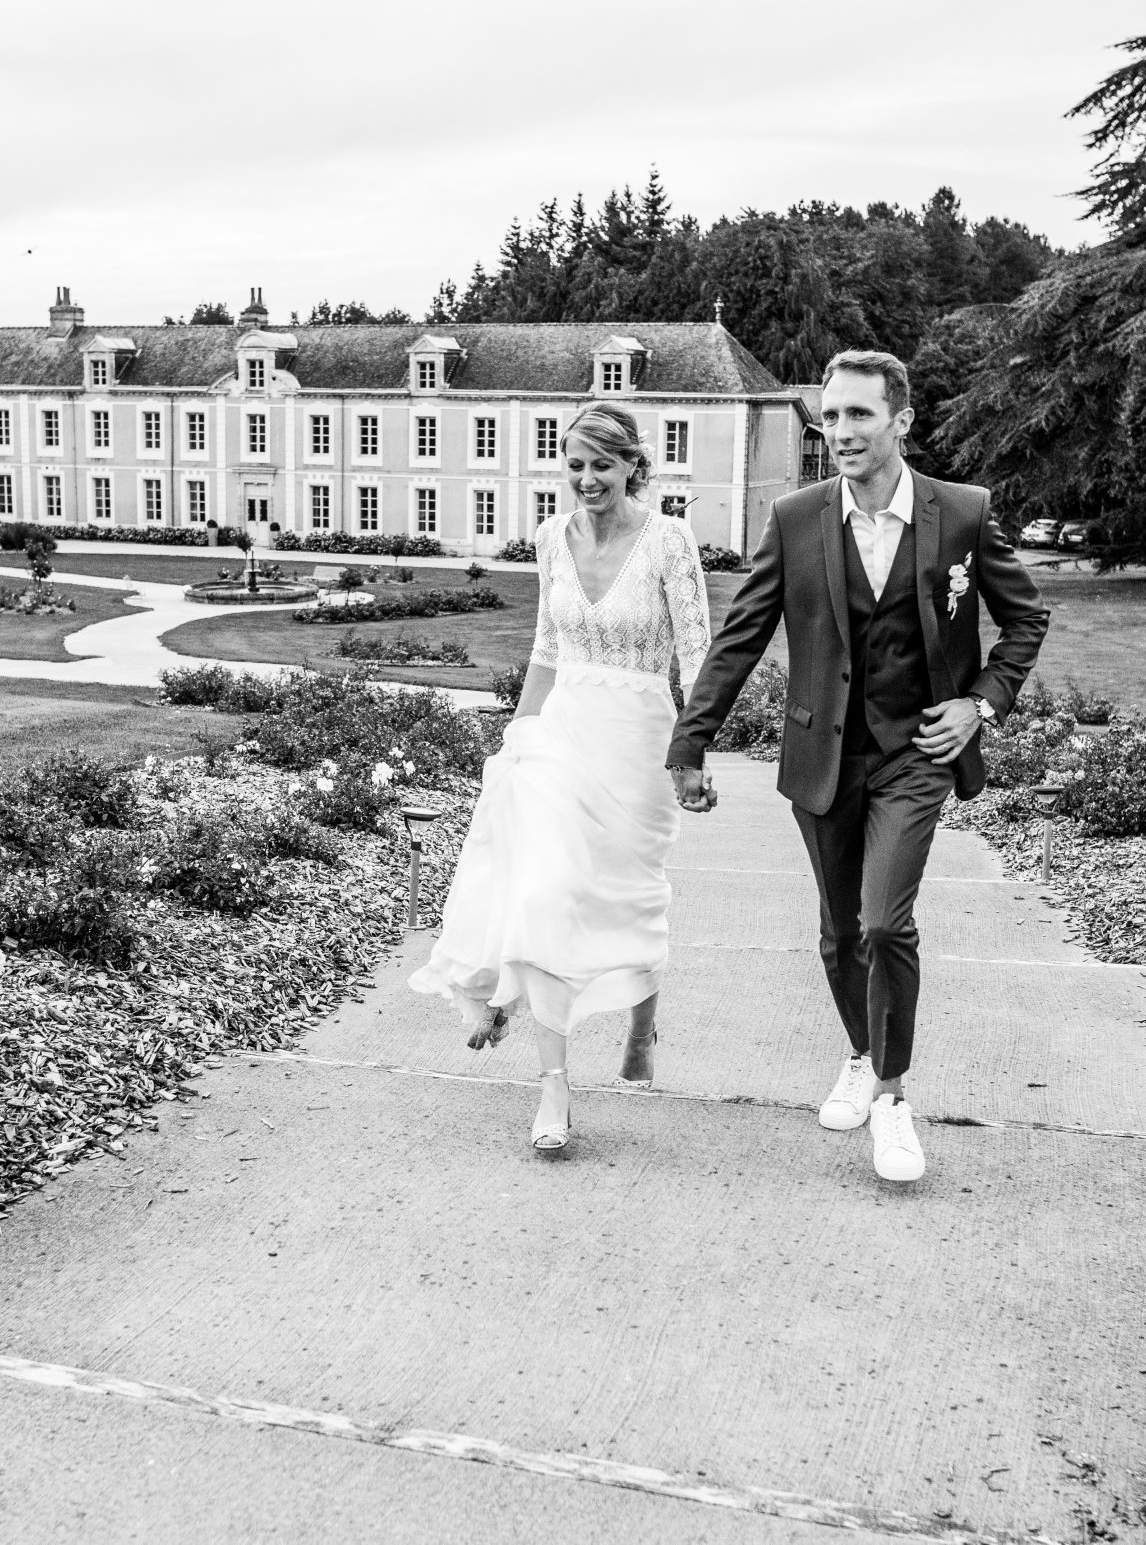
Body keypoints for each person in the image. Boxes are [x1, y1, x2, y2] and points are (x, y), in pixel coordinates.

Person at [665, 350, 1047, 1183]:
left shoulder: (965, 515)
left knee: (883, 922)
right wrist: (691, 741)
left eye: (858, 415)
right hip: (823, 753)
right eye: (830, 415)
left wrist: (980, 703)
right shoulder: (799, 518)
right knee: (840, 934)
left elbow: (1024, 622)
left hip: (916, 755)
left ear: (901, 422)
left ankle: (894, 1100)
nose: (839, 430)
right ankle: (859, 1052)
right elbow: (742, 635)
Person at [409, 402, 712, 1156]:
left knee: (628, 899)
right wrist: (519, 734)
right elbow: (547, 648)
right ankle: (553, 1087)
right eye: (575, 465)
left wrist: (693, 752)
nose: (586, 479)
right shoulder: (551, 538)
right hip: (563, 730)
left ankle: (642, 1024)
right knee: (544, 889)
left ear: (634, 468)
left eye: (602, 465)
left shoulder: (670, 540)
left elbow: (698, 656)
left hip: (638, 736)